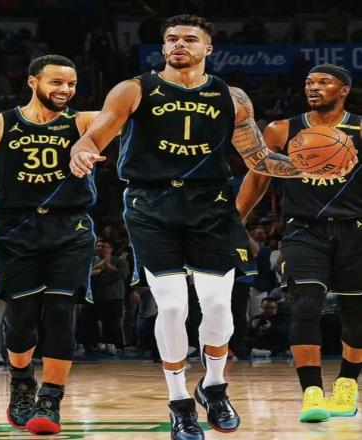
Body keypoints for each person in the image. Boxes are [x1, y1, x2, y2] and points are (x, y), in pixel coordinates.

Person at [69, 16, 354, 439]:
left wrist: (307, 167)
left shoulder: (231, 98)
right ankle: (179, 402)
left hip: (212, 205)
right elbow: (93, 137)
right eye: (171, 39)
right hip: (151, 204)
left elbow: (259, 159)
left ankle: (214, 386)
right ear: (162, 47)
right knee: (172, 307)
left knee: (219, 307)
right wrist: (81, 151)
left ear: (208, 49)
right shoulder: (134, 89)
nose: (178, 45)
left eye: (189, 39)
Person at [0, 55, 101, 435]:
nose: (65, 90)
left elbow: (129, 113)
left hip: (70, 227)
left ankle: (51, 400)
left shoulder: (84, 122)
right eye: (57, 82)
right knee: (21, 320)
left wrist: (89, 145)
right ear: (33, 82)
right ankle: (21, 382)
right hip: (16, 228)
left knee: (60, 313)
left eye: (71, 84)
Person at [237, 63, 361, 423]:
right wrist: (235, 220)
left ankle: (347, 385)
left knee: (356, 318)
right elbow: (258, 177)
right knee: (305, 307)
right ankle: (311, 393)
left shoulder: (359, 128)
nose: (313, 87)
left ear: (344, 90)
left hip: (355, 229)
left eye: (324, 82)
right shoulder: (282, 130)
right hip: (303, 229)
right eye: (309, 82)